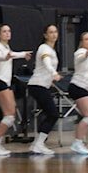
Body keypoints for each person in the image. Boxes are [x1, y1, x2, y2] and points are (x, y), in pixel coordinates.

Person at [0, 24, 31, 156]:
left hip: (5, 83)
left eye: (9, 31)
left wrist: (21, 55)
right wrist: (10, 56)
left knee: (10, 116)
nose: (7, 33)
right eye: (4, 31)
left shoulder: (7, 47)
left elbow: (10, 54)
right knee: (9, 115)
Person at [26, 24, 63, 155]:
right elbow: (46, 62)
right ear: (45, 35)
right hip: (37, 85)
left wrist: (50, 81)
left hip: (43, 85)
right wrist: (53, 73)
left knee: (49, 114)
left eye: (55, 32)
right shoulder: (44, 48)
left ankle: (37, 144)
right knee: (53, 114)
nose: (54, 35)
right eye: (51, 32)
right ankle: (39, 144)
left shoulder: (52, 50)